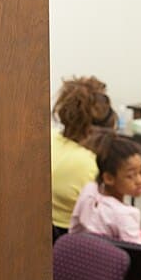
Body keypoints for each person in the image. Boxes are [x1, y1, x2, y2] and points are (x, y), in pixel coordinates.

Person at [51, 76, 118, 242]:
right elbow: (110, 219)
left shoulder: (49, 140)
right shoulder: (92, 162)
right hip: (78, 238)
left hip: (46, 234)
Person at [69, 133, 141, 244]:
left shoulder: (89, 189)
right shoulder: (127, 214)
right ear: (109, 178)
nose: (140, 181)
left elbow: (74, 228)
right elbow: (136, 254)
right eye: (130, 176)